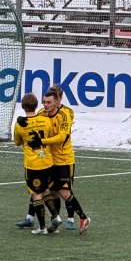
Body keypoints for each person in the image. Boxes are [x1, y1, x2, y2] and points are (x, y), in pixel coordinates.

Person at [40, 84, 90, 234]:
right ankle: (55, 220)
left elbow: (62, 137)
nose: (46, 105)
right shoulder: (41, 114)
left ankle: (83, 218)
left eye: (49, 102)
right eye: (44, 102)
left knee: (64, 192)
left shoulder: (65, 115)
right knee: (51, 192)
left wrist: (43, 141)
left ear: (56, 102)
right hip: (49, 161)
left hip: (64, 160)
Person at [13, 93, 59, 235]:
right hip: (47, 161)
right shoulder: (45, 121)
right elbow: (50, 135)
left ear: (23, 106)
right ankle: (56, 217)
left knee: (36, 194)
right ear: (37, 105)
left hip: (33, 164)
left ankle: (42, 227)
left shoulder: (20, 124)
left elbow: (17, 142)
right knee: (45, 191)